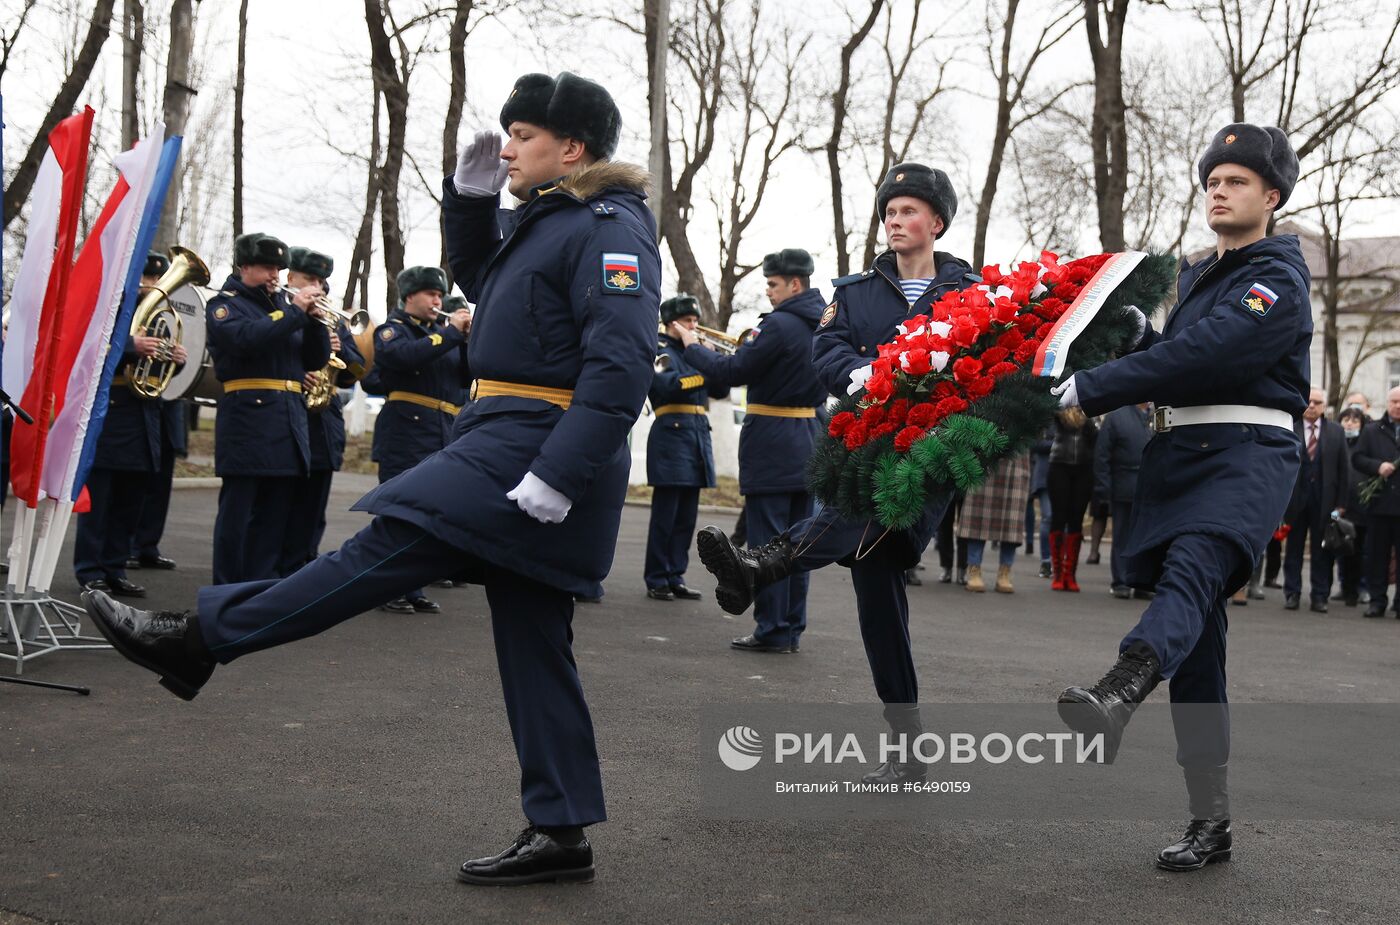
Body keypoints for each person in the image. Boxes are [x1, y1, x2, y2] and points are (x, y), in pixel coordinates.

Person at [83, 70, 657, 885]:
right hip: (504, 436)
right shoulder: (554, 221)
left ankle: (199, 639)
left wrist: (560, 474)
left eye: (523, 136)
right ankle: (562, 829)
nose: (509, 148)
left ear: (572, 148)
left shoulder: (609, 226)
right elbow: (483, 278)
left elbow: (622, 363)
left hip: (533, 446)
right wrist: (467, 195)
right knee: (535, 642)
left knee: (381, 549)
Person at [1053, 123, 1308, 871]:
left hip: (1248, 455)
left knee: (1193, 570)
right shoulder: (1198, 277)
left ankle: (1121, 688)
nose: (1219, 191)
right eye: (1212, 181)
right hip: (1186, 455)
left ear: (1271, 195)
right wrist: (1122, 338)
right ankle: (1211, 821)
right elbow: (1170, 353)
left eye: (1236, 181)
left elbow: (1207, 354)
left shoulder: (1276, 279)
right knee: (1199, 652)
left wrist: (1095, 387)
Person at [696, 162, 980, 781]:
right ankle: (908, 748)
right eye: (888, 212)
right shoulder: (852, 293)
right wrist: (859, 374)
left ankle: (764, 563)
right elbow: (826, 351)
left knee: (868, 517)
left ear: (936, 221)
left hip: (931, 450)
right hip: (865, 435)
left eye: (908, 211)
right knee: (879, 603)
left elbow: (989, 361)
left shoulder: (973, 292)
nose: (895, 221)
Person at [677, 248, 827, 650]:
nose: (770, 293)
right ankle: (791, 628)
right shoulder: (825, 325)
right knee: (796, 545)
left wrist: (692, 345)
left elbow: (732, 371)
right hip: (810, 440)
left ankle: (772, 629)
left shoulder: (777, 326)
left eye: (774, 285)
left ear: (794, 284)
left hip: (773, 443)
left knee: (766, 543)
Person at [205, 234, 331, 585]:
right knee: (239, 514)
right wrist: (295, 313)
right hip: (248, 419)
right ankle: (227, 588)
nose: (274, 275)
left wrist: (316, 322)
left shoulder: (284, 307)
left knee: (275, 516)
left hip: (288, 422)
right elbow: (246, 339)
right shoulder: (225, 305)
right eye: (266, 267)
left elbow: (313, 359)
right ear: (244, 267)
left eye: (278, 268)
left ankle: (260, 586)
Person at [73, 251, 189, 596]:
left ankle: (115, 567)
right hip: (113, 411)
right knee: (102, 499)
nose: (151, 286)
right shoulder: (108, 311)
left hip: (146, 415)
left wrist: (176, 360)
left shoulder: (159, 319)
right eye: (146, 278)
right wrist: (130, 345)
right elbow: (88, 349)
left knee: (131, 500)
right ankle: (89, 569)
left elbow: (158, 371)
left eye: (156, 280)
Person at [369, 265, 471, 613]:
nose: (436, 301)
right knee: (398, 513)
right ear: (410, 295)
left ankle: (412, 587)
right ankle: (386, 588)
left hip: (440, 431)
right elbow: (403, 357)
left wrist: (472, 341)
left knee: (427, 514)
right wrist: (450, 335)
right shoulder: (393, 331)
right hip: (405, 431)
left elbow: (463, 378)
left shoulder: (441, 336)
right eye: (431, 294)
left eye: (440, 294)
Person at [278, 247, 365, 576]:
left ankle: (304, 563)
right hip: (289, 416)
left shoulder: (331, 317)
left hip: (324, 420)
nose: (318, 286)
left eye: (322, 280)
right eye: (310, 278)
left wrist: (343, 352)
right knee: (284, 503)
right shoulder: (283, 310)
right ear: (291, 278)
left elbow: (357, 369)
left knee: (314, 506)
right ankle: (278, 567)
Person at [643, 294, 727, 601]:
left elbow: (720, 388)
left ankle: (675, 574)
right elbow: (667, 385)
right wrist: (703, 368)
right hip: (671, 431)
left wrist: (713, 359)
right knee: (666, 514)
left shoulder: (693, 352)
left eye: (695, 321)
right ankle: (656, 577)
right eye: (688, 322)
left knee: (686, 516)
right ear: (672, 323)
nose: (695, 327)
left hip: (696, 434)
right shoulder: (661, 349)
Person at [1281, 388, 1348, 612]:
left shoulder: (1337, 432)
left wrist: (1341, 504)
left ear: (1324, 406)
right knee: (1294, 549)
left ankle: (1320, 596)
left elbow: (1343, 470)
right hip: (1296, 500)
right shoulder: (1291, 428)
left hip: (1325, 500)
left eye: (1317, 402)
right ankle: (1292, 593)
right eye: (1308, 401)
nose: (1311, 406)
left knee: (1322, 552)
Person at [1350, 386, 1400, 618]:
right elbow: (1357, 458)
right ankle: (1377, 600)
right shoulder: (1372, 430)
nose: (1398, 405)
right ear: (1387, 403)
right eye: (1394, 401)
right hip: (1379, 504)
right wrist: (1377, 466)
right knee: (1377, 555)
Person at [1094, 402, 1152, 599]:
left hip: (1151, 488)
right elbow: (1102, 455)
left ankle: (1143, 581)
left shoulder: (1157, 414)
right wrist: (1103, 487)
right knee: (1122, 536)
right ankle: (1121, 580)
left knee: (1147, 537)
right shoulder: (1116, 417)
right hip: (1124, 487)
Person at [959, 453, 1031, 593]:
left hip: (1017, 455)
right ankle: (974, 569)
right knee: (977, 515)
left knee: (1012, 517)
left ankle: (1005, 571)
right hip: (985, 449)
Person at [1046, 409, 1097, 591]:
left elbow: (1095, 440)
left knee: (1077, 520)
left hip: (1084, 469)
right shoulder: (1057, 415)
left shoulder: (1089, 416)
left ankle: (1070, 574)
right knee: (1058, 518)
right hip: (1059, 466)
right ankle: (1058, 573)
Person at [1335, 404, 1369, 607]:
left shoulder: (1364, 445)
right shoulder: (1336, 442)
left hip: (1361, 505)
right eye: (1346, 419)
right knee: (1341, 547)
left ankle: (1360, 588)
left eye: (1355, 420)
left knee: (1361, 550)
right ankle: (1345, 586)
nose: (1350, 424)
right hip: (1340, 505)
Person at [1026, 427, 1054, 578]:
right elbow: (1035, 443)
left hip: (1067, 473)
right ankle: (1046, 560)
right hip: (1044, 476)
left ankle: (1060, 562)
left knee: (1063, 522)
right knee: (1048, 516)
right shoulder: (1045, 418)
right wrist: (1058, 443)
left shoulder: (1073, 412)